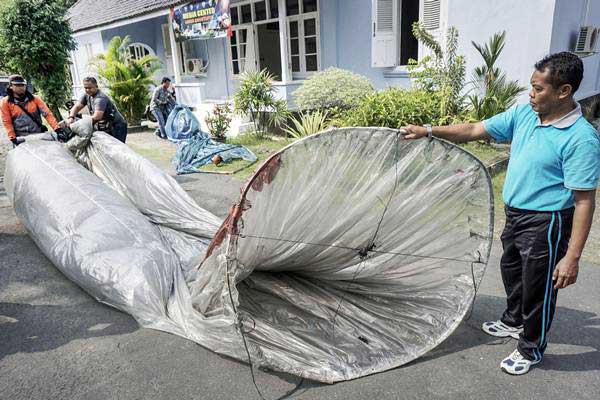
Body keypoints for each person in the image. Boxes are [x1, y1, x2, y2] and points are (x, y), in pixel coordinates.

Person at [401, 52, 600, 375]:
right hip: (516, 214)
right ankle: (513, 320)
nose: (531, 94)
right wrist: (428, 131)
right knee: (512, 271)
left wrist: (572, 257)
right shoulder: (525, 115)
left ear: (563, 91)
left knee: (538, 288)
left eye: (538, 89)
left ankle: (531, 348)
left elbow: (584, 201)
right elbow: (476, 128)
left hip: (546, 223)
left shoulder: (580, 139)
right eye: (531, 87)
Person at [0, 74, 61, 147]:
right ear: (11, 86)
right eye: (17, 85)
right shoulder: (5, 102)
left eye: (22, 85)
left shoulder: (35, 99)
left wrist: (57, 129)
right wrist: (12, 137)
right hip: (21, 137)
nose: (21, 87)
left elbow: (47, 114)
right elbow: (7, 122)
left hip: (38, 134)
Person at [66, 77, 128, 143]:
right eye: (85, 88)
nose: (87, 90)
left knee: (117, 148)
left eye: (90, 88)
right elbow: (76, 107)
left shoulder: (100, 98)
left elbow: (97, 117)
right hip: (105, 125)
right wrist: (71, 118)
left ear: (96, 86)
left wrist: (80, 125)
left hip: (116, 125)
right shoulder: (86, 95)